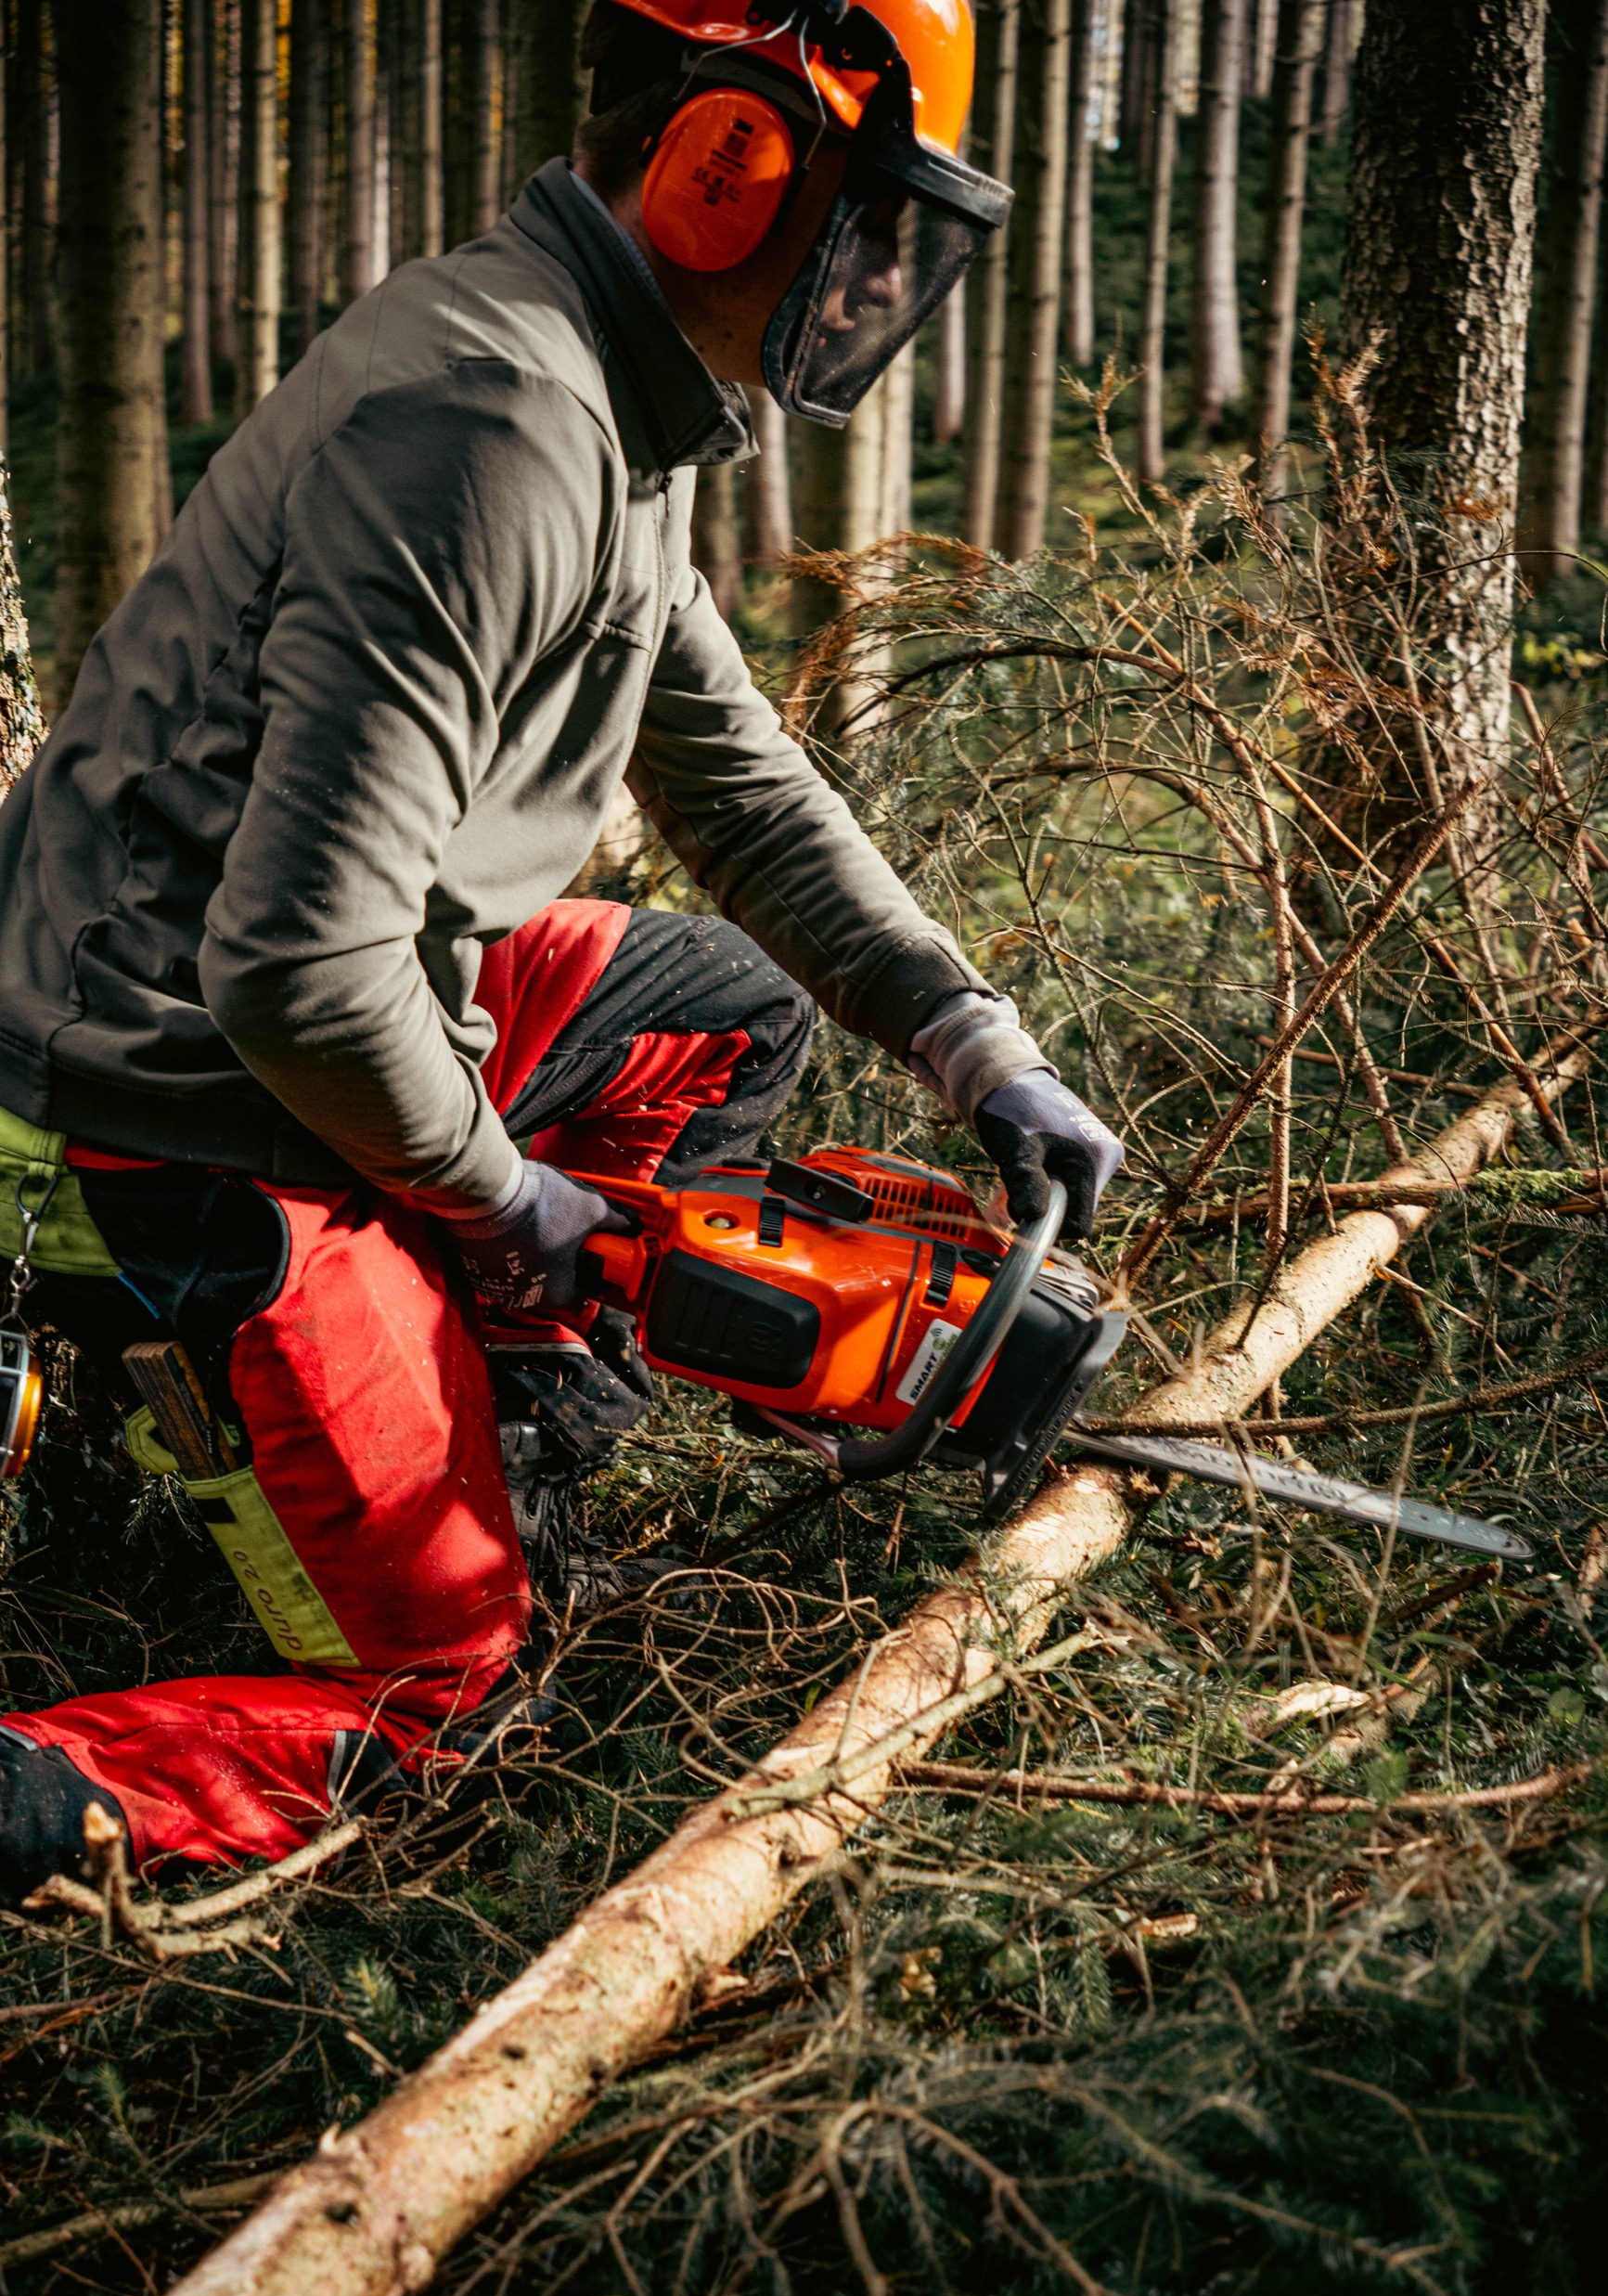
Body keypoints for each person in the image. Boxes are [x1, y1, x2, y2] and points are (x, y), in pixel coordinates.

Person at [0, 0, 1123, 1899]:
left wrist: (964, 1029)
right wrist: (508, 1195)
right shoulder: (499, 422)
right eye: (866, 222)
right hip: (169, 1113)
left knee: (720, 1015)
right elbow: (297, 965)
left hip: (322, 1009)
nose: (869, 282)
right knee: (447, 1690)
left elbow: (737, 778)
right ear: (727, 163)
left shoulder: (618, 398)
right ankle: (63, 1763)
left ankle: (500, 1387)